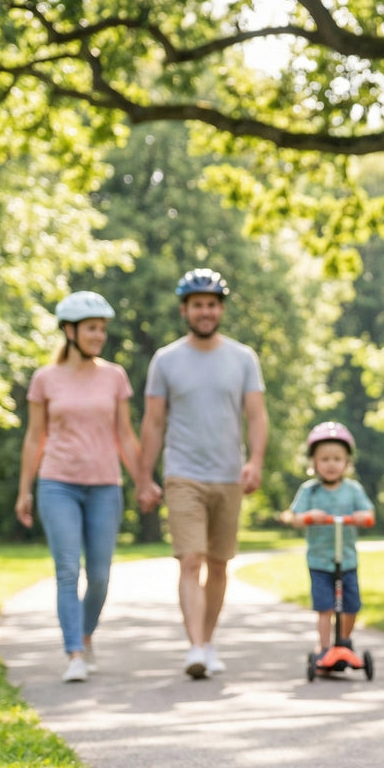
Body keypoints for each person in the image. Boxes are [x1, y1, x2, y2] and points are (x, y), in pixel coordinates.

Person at [136, 268, 269, 680]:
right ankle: (194, 646)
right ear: (185, 310)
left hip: (228, 474)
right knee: (190, 559)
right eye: (197, 305)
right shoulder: (166, 360)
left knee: (219, 563)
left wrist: (256, 462)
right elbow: (153, 422)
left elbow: (256, 415)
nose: (205, 311)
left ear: (220, 308)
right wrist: (144, 477)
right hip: (182, 474)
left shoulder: (243, 357)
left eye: (212, 304)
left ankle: (208, 641)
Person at [15, 290, 151, 682]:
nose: (99, 336)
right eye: (92, 329)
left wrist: (143, 480)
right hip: (57, 483)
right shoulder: (45, 379)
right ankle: (74, 651)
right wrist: (25, 490)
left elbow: (125, 435)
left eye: (102, 329)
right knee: (66, 571)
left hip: (105, 485)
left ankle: (87, 634)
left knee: (101, 575)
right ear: (70, 331)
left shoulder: (114, 376)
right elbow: (34, 437)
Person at [285, 422, 375, 664]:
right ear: (313, 463)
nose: (331, 464)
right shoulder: (309, 491)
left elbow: (368, 514)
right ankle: (324, 648)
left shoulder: (353, 489)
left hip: (346, 560)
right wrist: (307, 517)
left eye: (337, 458)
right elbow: (293, 518)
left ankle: (343, 641)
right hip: (320, 561)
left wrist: (361, 517)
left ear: (347, 462)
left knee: (351, 605)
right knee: (325, 607)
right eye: (324, 459)